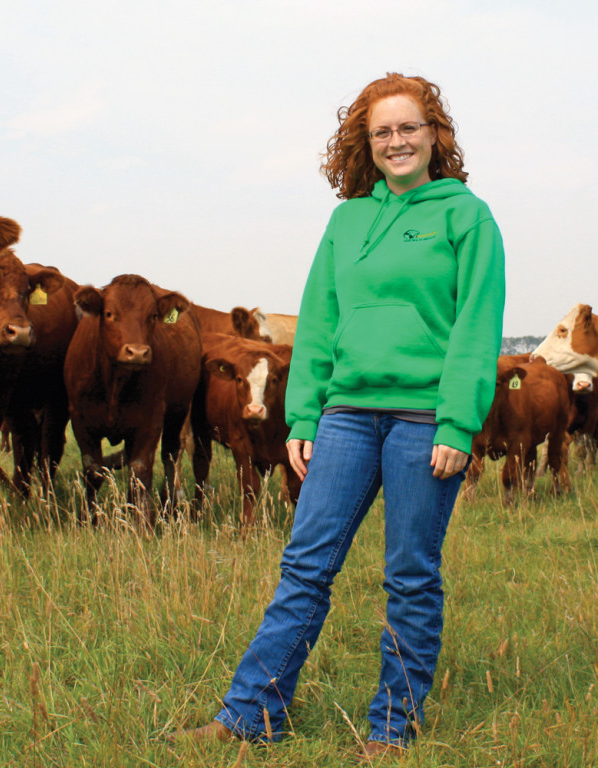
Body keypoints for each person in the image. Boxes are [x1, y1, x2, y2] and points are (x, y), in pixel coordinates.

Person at [177, 72, 505, 759]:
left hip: (422, 420)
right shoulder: (346, 220)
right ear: (365, 143)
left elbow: (476, 325)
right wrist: (303, 417)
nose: (396, 141)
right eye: (382, 131)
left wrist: (457, 423)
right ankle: (250, 714)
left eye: (409, 127)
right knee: (305, 563)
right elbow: (320, 321)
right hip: (348, 417)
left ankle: (391, 727)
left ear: (434, 134)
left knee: (410, 573)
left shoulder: (466, 216)